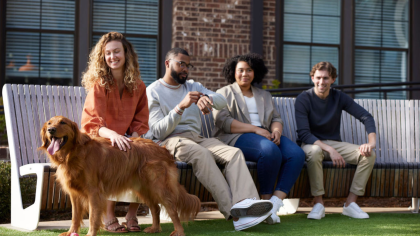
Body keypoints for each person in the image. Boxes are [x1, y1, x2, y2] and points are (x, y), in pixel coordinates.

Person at [145, 48, 273, 231]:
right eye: (181, 64)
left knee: (234, 153)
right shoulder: (153, 91)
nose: (185, 69)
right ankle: (234, 213)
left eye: (188, 65)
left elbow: (222, 100)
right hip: (171, 140)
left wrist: (206, 98)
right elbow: (158, 131)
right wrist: (180, 107)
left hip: (197, 137)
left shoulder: (193, 86)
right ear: (167, 63)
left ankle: (246, 205)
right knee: (201, 154)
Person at [212, 53, 305, 224]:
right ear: (233, 72)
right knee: (269, 150)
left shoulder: (264, 95)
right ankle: (265, 203)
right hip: (236, 136)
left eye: (249, 70)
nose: (245, 74)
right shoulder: (223, 93)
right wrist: (256, 130)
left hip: (265, 135)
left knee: (296, 154)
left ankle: (274, 204)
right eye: (240, 70)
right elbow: (223, 121)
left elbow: (276, 118)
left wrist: (276, 131)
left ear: (255, 73)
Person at [81, 32, 149, 233]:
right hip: (98, 141)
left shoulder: (138, 85)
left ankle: (131, 213)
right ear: (103, 57)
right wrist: (114, 136)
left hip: (126, 140)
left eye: (117, 51)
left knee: (144, 155)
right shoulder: (98, 85)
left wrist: (135, 137)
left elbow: (141, 117)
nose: (113, 57)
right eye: (108, 53)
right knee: (115, 156)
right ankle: (109, 215)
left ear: (126, 54)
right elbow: (92, 123)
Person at [295, 61, 376, 220]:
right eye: (318, 78)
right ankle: (318, 204)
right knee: (316, 151)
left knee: (368, 155)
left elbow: (366, 117)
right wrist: (330, 150)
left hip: (334, 144)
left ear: (333, 79)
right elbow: (304, 133)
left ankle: (350, 204)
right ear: (312, 78)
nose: (321, 82)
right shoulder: (303, 98)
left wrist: (371, 143)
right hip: (311, 144)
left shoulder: (339, 97)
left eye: (326, 78)